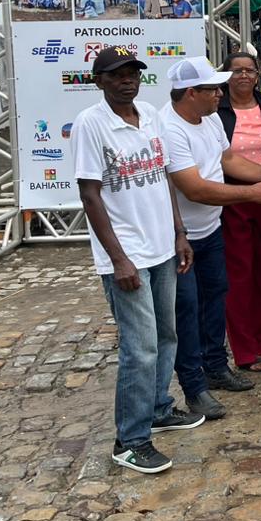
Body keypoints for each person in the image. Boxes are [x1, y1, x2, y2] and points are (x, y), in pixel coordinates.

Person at [71, 47, 201, 475]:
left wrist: (179, 233)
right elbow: (90, 195)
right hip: (127, 255)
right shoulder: (91, 124)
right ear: (99, 81)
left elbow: (163, 178)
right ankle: (129, 440)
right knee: (140, 348)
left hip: (162, 246)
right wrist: (118, 259)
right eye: (116, 74)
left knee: (166, 336)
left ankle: (158, 408)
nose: (127, 80)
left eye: (132, 73)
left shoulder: (149, 115)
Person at [159, 58, 261, 420]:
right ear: (191, 93)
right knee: (187, 310)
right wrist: (252, 193)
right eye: (212, 88)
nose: (219, 93)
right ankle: (194, 386)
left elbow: (228, 160)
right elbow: (194, 188)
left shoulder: (210, 118)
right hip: (179, 236)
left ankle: (215, 366)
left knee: (216, 298)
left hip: (211, 228)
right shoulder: (169, 129)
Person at [216, 52, 261, 373]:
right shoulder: (217, 111)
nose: (244, 76)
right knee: (240, 275)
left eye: (250, 70)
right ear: (226, 76)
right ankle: (245, 350)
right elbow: (222, 159)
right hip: (236, 198)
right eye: (237, 71)